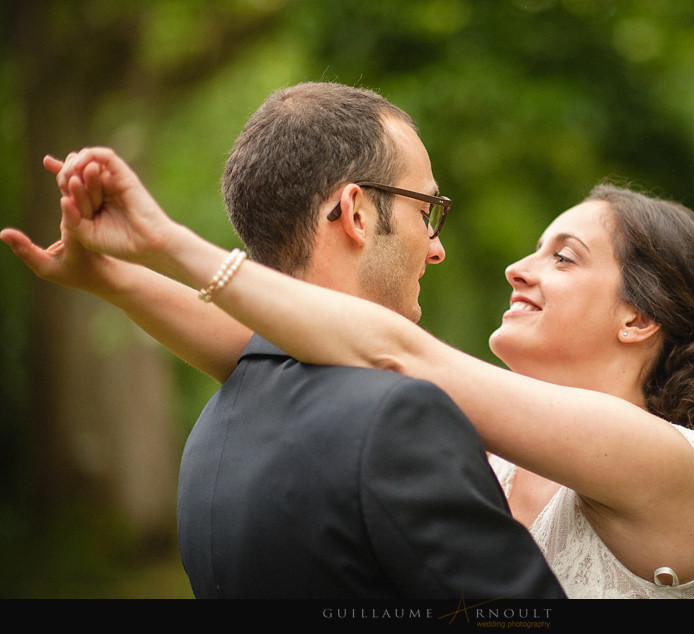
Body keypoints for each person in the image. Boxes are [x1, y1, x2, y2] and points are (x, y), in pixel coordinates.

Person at [9, 102, 694, 600]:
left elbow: (398, 358)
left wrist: (166, 241)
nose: (517, 266)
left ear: (638, 320)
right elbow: (266, 350)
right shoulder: (499, 454)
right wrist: (111, 279)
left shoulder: (661, 461)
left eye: (563, 256)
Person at [2, 83, 567, 600]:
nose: (436, 247)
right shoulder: (399, 419)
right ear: (356, 213)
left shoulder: (211, 434)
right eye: (426, 211)